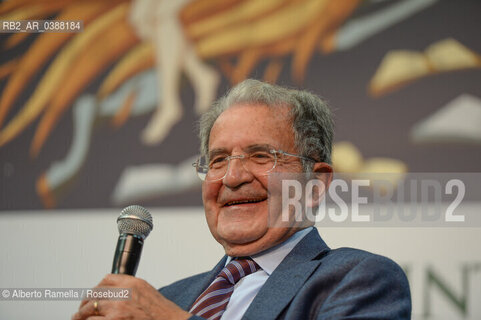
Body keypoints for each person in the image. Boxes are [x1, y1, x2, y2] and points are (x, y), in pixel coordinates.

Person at [72, 79, 411, 320]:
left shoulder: (358, 281)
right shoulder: (169, 298)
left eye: (261, 156)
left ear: (316, 183)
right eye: (218, 160)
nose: (232, 177)